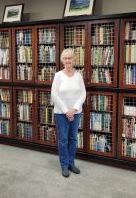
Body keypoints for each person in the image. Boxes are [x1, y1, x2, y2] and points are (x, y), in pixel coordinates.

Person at [51, 48, 86, 178]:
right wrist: (66, 111)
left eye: (69, 58)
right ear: (62, 60)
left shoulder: (79, 75)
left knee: (73, 138)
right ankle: (64, 165)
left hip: (76, 113)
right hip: (61, 113)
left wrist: (74, 109)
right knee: (63, 140)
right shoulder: (58, 75)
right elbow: (54, 95)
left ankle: (71, 163)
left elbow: (83, 93)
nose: (67, 60)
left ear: (73, 60)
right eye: (65, 58)